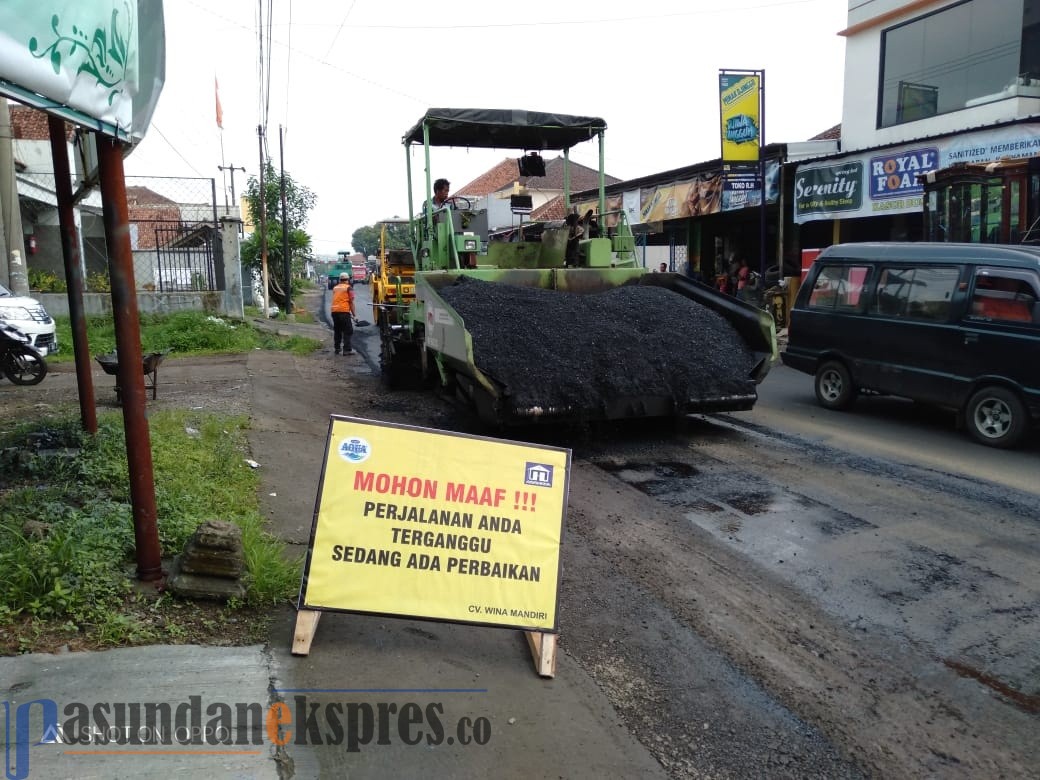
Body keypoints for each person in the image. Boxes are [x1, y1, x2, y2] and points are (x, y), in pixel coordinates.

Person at [330, 272, 355, 355]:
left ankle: (337, 348)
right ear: (348, 280)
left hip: (334, 312)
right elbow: (351, 302)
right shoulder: (349, 288)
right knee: (348, 330)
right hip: (344, 312)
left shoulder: (335, 288)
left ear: (340, 280)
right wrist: (354, 315)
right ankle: (347, 350)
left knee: (337, 330)